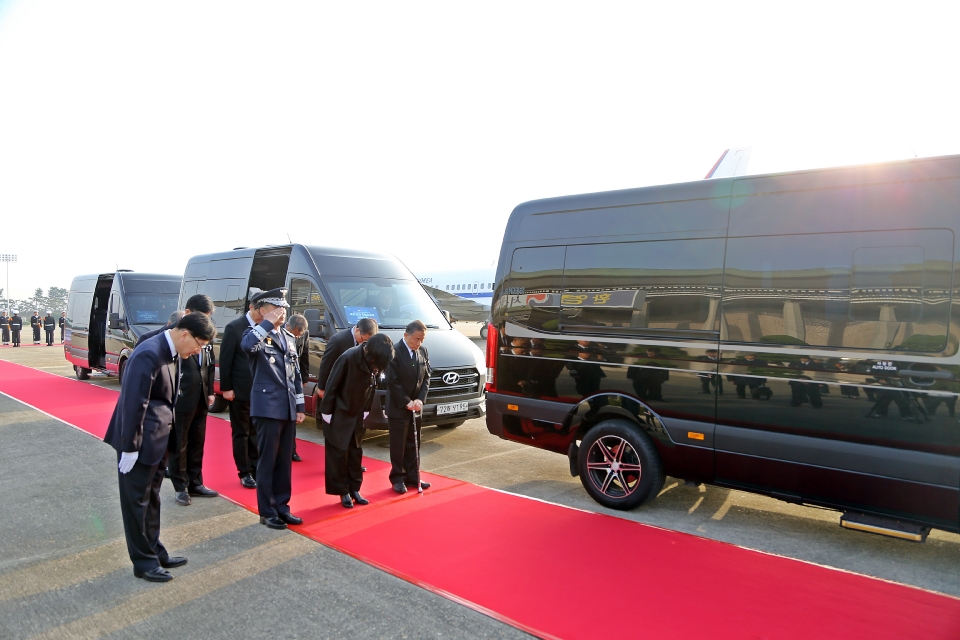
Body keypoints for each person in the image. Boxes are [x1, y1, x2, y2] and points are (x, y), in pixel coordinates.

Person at [103, 312, 216, 582]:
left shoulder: (173, 352)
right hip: (140, 441)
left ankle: (155, 550)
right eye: (199, 345)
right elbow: (134, 402)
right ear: (185, 333)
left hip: (159, 440)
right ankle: (143, 563)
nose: (198, 351)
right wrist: (130, 446)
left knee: (151, 499)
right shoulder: (149, 353)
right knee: (136, 503)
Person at [241, 288, 305, 530]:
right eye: (275, 308)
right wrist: (265, 324)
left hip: (287, 407)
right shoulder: (254, 334)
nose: (282, 311)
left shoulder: (288, 337)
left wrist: (299, 405)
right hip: (267, 408)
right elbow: (247, 347)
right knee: (267, 462)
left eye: (284, 308)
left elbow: (295, 375)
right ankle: (267, 511)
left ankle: (282, 507)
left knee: (283, 463)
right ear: (261, 310)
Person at [319, 333, 394, 508]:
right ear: (372, 353)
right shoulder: (348, 357)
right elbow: (332, 385)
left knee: (355, 452)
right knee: (339, 454)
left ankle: (355, 488)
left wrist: (366, 409)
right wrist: (327, 411)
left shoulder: (373, 361)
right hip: (338, 412)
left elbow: (372, 386)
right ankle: (342, 491)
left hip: (357, 413)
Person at [166, 304, 218, 506]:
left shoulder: (204, 336)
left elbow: (209, 365)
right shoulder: (180, 337)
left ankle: (196, 483)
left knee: (197, 442)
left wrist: (211, 391)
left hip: (201, 398)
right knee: (179, 443)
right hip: (181, 398)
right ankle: (181, 487)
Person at [315, 317, 378, 474]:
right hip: (338, 392)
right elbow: (326, 365)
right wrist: (322, 388)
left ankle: (353, 463)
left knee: (355, 434)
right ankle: (335, 466)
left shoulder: (369, 344)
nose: (365, 344)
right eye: (363, 340)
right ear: (357, 330)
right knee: (337, 433)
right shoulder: (339, 341)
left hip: (356, 395)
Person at [219, 289, 263, 489]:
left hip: (260, 391)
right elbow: (226, 360)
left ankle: (255, 467)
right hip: (239, 390)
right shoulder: (234, 327)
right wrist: (226, 388)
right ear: (251, 307)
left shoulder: (266, 328)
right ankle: (244, 472)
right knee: (241, 432)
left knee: (255, 431)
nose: (263, 315)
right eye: (260, 310)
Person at [386, 320, 431, 493]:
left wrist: (420, 399)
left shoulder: (423, 351)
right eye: (416, 339)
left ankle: (414, 476)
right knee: (399, 445)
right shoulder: (394, 351)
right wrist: (406, 401)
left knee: (414, 443)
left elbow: (426, 377)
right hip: (399, 406)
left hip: (416, 407)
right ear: (406, 335)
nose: (418, 343)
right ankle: (398, 477)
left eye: (422, 339)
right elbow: (392, 380)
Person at [285, 313, 310, 463]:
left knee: (293, 417)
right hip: (282, 380)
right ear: (288, 327)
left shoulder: (304, 334)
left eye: (299, 335)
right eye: (295, 334)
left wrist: (304, 378)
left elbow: (304, 354)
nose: (297, 337)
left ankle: (292, 450)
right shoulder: (278, 332)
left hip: (296, 378)